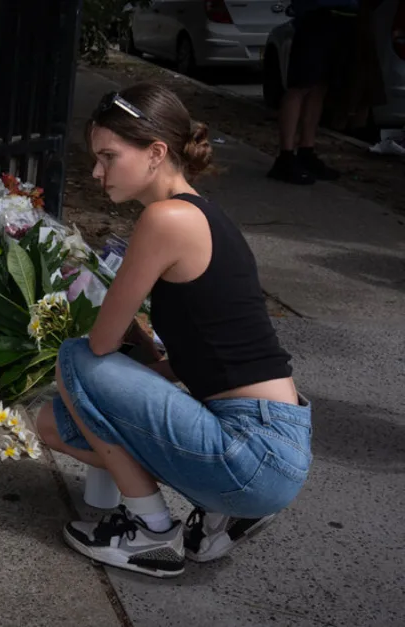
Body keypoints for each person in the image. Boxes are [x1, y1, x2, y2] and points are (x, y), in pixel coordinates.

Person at [36, 83, 312, 578]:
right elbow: (200, 356)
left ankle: (151, 532)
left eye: (108, 157)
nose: (96, 172)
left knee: (74, 358)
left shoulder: (166, 219)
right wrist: (140, 362)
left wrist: (109, 350)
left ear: (156, 152)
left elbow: (99, 345)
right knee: (53, 424)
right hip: (272, 443)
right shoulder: (203, 215)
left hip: (253, 447)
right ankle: (225, 511)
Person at [267, 0, 360, 184]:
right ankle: (285, 156)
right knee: (300, 86)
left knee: (320, 86)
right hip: (316, 16)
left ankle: (306, 151)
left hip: (344, 18)